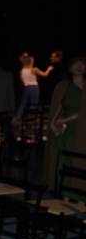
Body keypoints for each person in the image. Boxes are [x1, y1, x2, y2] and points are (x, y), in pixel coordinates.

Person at [43, 56, 86, 197]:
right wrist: (55, 124)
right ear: (70, 68)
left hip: (84, 130)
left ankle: (80, 194)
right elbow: (57, 111)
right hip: (70, 130)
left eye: (82, 63)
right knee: (66, 160)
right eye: (76, 63)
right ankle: (66, 193)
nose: (79, 66)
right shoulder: (63, 86)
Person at [13, 54, 53, 123]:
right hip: (34, 87)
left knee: (23, 103)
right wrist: (49, 69)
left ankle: (18, 118)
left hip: (26, 87)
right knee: (34, 103)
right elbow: (45, 74)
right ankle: (32, 119)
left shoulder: (22, 70)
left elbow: (22, 81)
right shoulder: (34, 69)